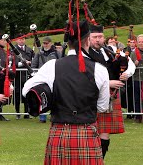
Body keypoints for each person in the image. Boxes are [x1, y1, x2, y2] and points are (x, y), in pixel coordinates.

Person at [23, 21, 109, 164]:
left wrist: (48, 95)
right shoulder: (100, 69)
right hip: (87, 132)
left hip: (59, 133)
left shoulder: (52, 66)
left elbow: (27, 90)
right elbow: (102, 107)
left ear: (67, 42)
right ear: (88, 40)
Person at [88, 24, 135, 159]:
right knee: (90, 130)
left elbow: (129, 62)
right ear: (88, 38)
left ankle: (99, 160)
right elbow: (82, 76)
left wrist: (126, 73)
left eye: (100, 37)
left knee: (105, 131)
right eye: (95, 37)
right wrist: (108, 83)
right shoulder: (83, 53)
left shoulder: (110, 50)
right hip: (90, 95)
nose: (98, 40)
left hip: (110, 95)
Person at [31, 36, 61, 123]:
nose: (45, 45)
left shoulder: (57, 53)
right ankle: (42, 116)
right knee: (42, 96)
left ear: (50, 43)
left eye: (46, 43)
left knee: (55, 96)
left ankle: (54, 115)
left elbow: (62, 62)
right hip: (42, 78)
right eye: (44, 43)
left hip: (54, 77)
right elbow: (34, 65)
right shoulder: (39, 53)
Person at [13, 33, 34, 119]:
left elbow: (34, 60)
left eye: (23, 39)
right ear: (17, 40)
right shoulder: (13, 50)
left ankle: (27, 113)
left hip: (27, 75)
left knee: (27, 94)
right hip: (17, 76)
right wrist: (23, 63)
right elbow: (13, 63)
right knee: (17, 94)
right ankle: (17, 113)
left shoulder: (29, 50)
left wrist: (30, 63)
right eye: (20, 39)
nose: (21, 40)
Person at [130, 35, 143, 123]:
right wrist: (134, 64)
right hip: (137, 78)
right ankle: (138, 116)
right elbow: (129, 66)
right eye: (140, 42)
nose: (141, 43)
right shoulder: (133, 53)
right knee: (137, 98)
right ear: (137, 43)